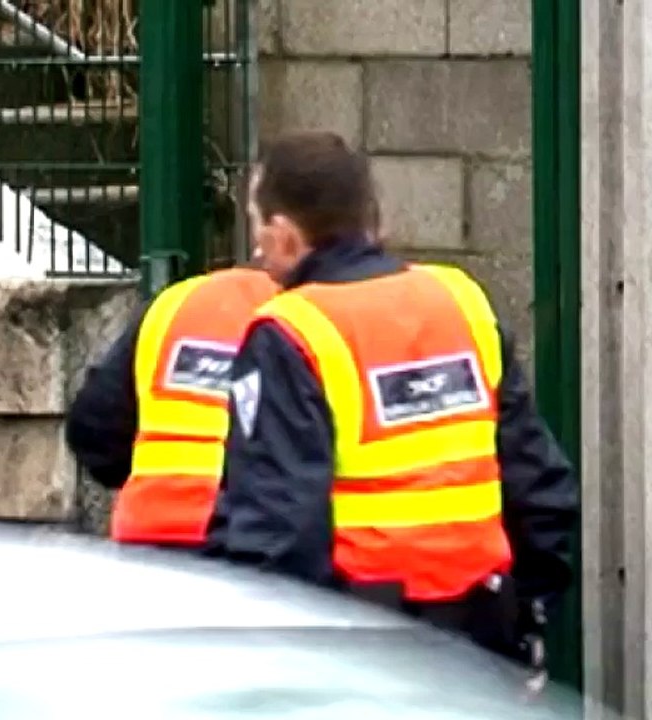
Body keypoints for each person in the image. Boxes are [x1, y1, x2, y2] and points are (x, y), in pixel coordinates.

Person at [203, 130, 580, 679]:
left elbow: (278, 531)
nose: (257, 249)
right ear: (372, 219)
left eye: (258, 225)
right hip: (482, 635)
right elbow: (538, 483)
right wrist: (528, 620)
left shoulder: (291, 333)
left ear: (285, 236)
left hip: (362, 650)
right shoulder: (460, 301)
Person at [64, 264, 278, 547]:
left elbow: (93, 429)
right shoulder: (312, 319)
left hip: (147, 536)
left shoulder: (177, 302)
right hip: (252, 542)